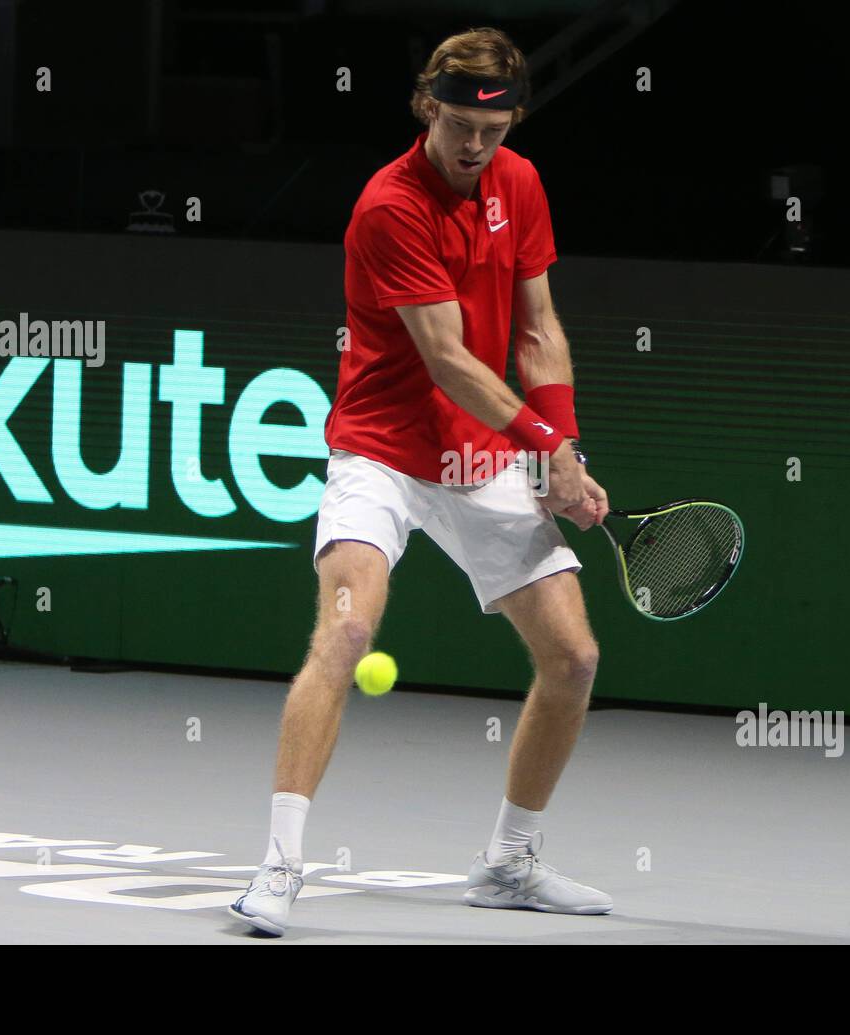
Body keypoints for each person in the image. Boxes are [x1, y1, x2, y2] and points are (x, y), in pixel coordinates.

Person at [230, 26, 611, 936]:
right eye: (457, 123)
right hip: (384, 451)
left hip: (480, 457)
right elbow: (445, 358)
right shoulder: (388, 205)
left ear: (512, 117)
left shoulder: (518, 184)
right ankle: (278, 868)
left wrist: (567, 446)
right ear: (425, 106)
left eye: (493, 126)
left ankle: (509, 863)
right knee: (348, 626)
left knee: (575, 657)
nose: (474, 144)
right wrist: (543, 439)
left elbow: (538, 330)